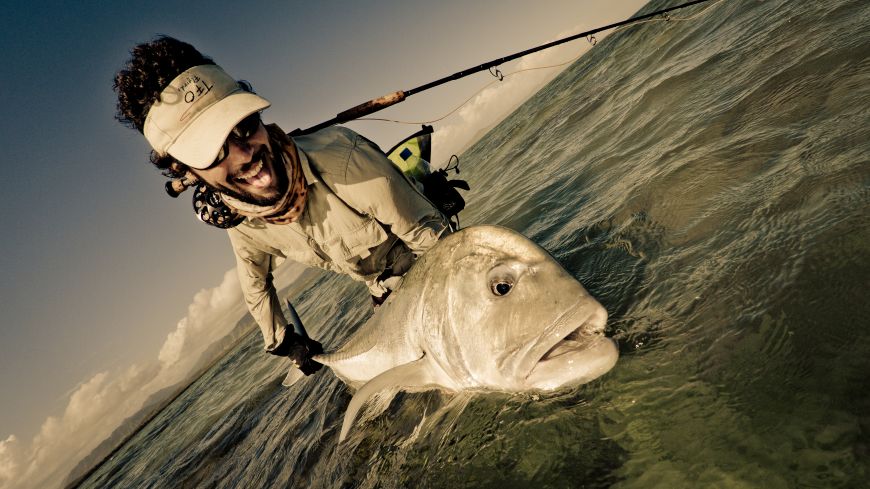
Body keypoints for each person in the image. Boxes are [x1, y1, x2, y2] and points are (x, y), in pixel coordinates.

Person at [113, 36, 451, 376]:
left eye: (244, 125)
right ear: (184, 171)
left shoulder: (343, 160)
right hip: (382, 295)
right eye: (212, 151)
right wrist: (286, 343)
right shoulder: (244, 225)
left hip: (428, 266)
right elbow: (256, 290)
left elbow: (438, 250)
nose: (246, 155)